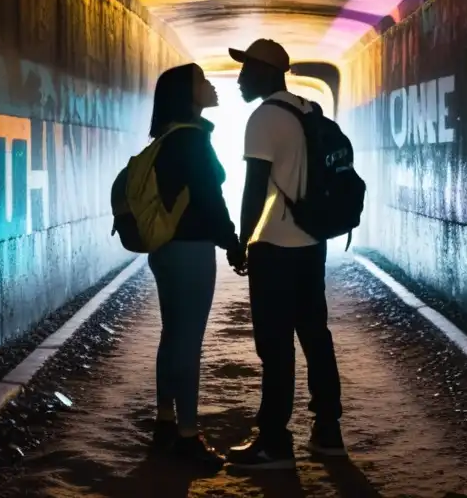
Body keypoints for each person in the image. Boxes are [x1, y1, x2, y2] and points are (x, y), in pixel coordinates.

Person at [224, 39, 345, 469]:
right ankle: (328, 431)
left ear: (266, 73)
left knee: (274, 345)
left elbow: (254, 186)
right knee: (315, 334)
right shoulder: (307, 110)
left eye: (246, 70)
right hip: (312, 244)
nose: (240, 78)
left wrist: (241, 240)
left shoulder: (263, 118)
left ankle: (274, 441)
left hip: (274, 247)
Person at [146, 63, 239, 468]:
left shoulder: (168, 137)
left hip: (166, 249)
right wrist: (232, 241)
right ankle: (187, 436)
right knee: (189, 340)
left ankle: (165, 421)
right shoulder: (192, 141)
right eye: (202, 81)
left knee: (172, 333)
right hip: (191, 249)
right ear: (188, 94)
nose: (210, 85)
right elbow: (209, 198)